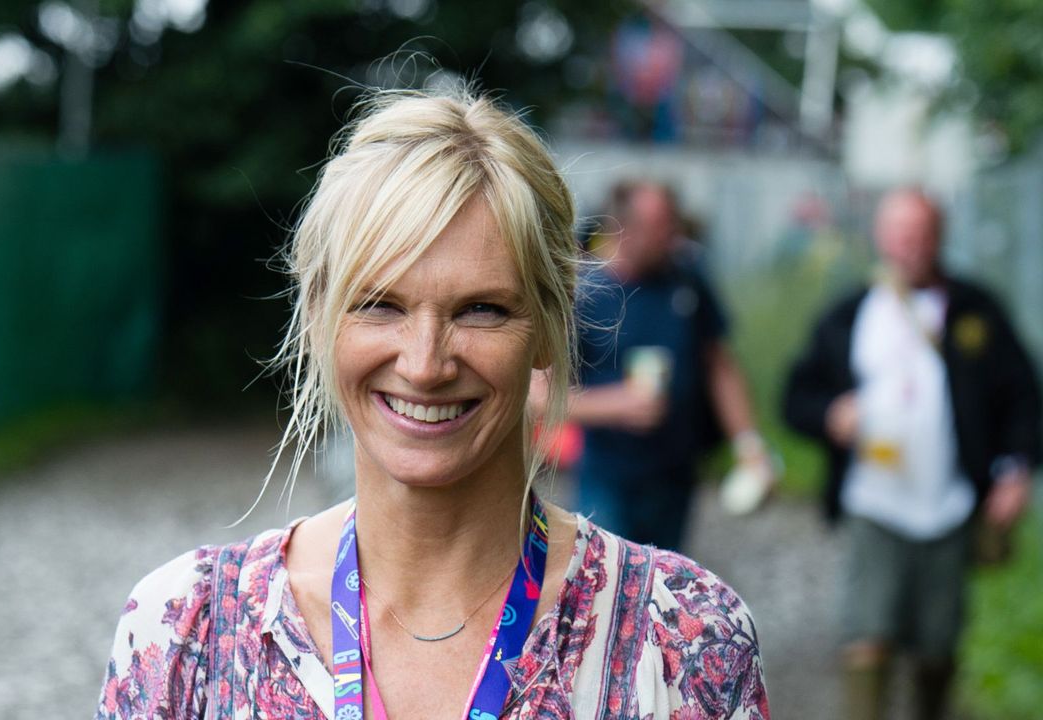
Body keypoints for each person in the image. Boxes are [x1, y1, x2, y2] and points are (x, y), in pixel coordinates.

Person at [96, 85, 768, 720]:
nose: (424, 365)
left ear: (550, 324)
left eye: (481, 309)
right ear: (320, 316)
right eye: (379, 304)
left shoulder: (683, 640)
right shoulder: (186, 631)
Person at [782, 188, 1041, 720]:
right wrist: (833, 415)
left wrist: (1015, 471)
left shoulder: (976, 310)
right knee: (866, 635)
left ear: (940, 237)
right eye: (901, 233)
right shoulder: (848, 314)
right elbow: (796, 396)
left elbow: (1023, 396)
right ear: (880, 236)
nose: (911, 245)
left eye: (922, 233)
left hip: (948, 505)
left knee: (937, 646)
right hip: (872, 504)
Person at [564, 181, 773, 551]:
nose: (672, 236)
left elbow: (719, 366)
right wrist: (616, 405)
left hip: (676, 472)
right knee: (610, 586)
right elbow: (540, 397)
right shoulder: (585, 294)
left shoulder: (687, 281)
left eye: (673, 225)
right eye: (660, 227)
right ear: (623, 229)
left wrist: (749, 445)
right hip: (608, 477)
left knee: (662, 587)